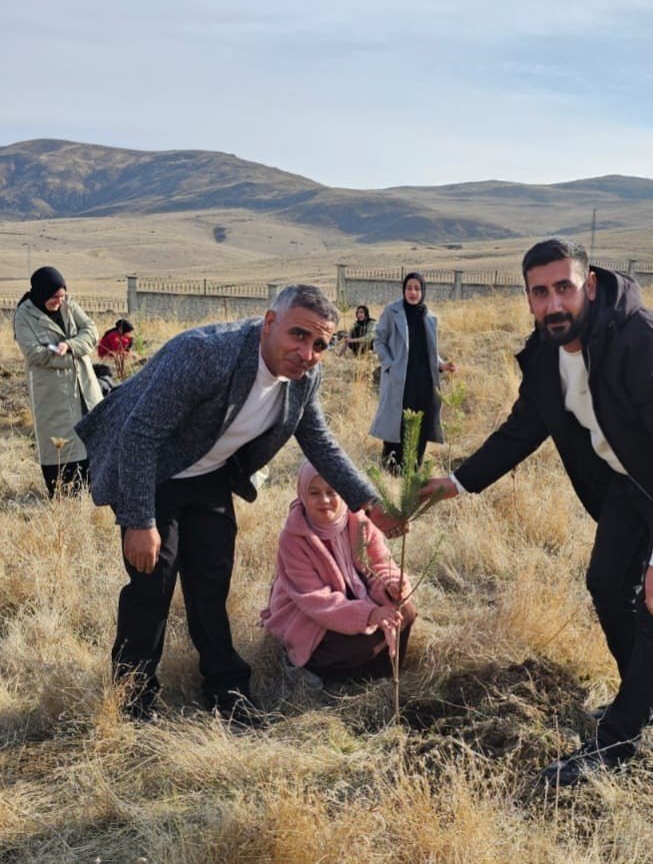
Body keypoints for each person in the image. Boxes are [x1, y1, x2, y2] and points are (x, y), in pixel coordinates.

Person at [421, 237, 653, 787]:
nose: (553, 304)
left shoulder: (645, 340)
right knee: (606, 581)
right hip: (634, 475)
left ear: (591, 285)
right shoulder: (544, 354)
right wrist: (457, 481)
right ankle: (645, 699)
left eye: (565, 287)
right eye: (540, 293)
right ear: (528, 298)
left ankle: (616, 743)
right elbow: (522, 429)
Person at [75, 284, 400, 724]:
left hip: (210, 477)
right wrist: (139, 519)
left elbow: (319, 441)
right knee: (152, 586)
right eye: (299, 335)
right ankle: (132, 700)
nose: (307, 352)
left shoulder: (305, 377)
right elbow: (140, 435)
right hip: (154, 473)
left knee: (211, 585)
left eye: (320, 344)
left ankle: (226, 692)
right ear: (270, 323)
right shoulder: (205, 354)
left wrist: (369, 501)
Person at [261, 462, 416, 685]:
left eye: (331, 492)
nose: (324, 500)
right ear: (303, 494)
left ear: (344, 493)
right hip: (310, 613)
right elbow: (315, 599)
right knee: (361, 642)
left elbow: (380, 563)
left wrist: (391, 585)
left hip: (352, 596)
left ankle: (381, 675)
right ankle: (310, 670)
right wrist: (370, 614)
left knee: (406, 613)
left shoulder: (359, 520)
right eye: (314, 493)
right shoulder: (293, 537)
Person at [13, 266, 103, 496]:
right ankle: (64, 492)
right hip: (52, 390)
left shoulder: (68, 305)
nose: (59, 302)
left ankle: (93, 489)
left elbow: (90, 331)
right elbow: (34, 353)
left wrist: (70, 346)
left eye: (62, 296)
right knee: (60, 441)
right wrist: (66, 358)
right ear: (41, 293)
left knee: (91, 434)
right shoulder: (24, 315)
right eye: (54, 297)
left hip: (83, 385)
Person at [370, 273, 456, 472]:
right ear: (404, 290)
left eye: (417, 288)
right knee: (397, 424)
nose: (413, 292)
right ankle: (390, 469)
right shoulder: (392, 312)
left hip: (424, 381)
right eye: (409, 288)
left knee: (422, 424)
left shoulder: (429, 316)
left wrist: (442, 366)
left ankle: (413, 470)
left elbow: (430, 351)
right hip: (401, 379)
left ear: (423, 291)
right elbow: (379, 340)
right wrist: (390, 364)